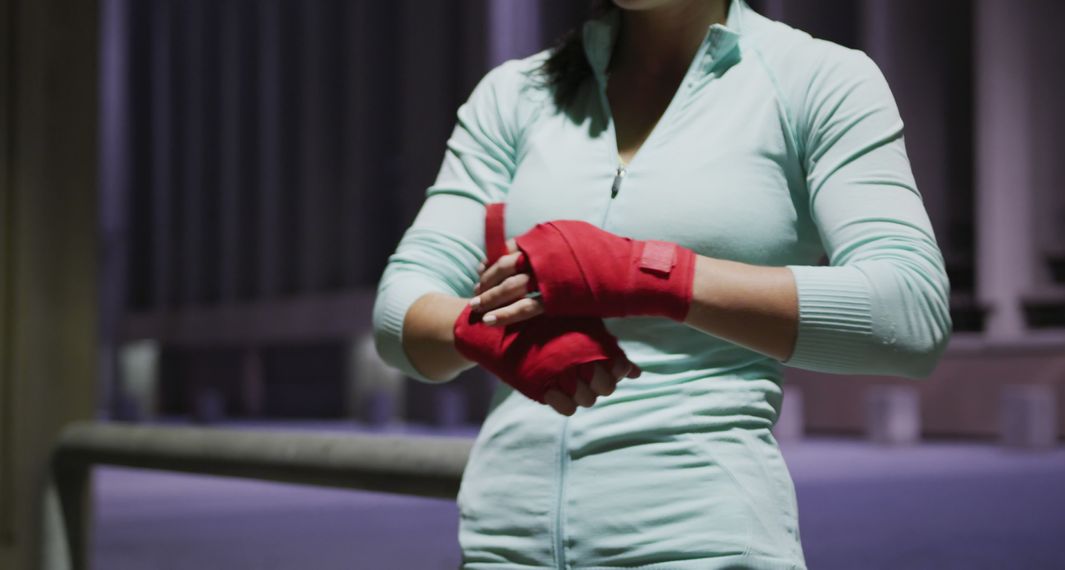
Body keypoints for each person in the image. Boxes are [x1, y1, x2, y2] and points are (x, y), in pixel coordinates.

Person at [372, 0, 952, 567]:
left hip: (704, 544)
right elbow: (398, 310)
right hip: (501, 545)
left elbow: (910, 310)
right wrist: (493, 335)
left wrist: (650, 276)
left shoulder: (817, 79)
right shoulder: (515, 95)